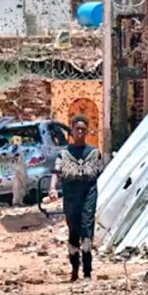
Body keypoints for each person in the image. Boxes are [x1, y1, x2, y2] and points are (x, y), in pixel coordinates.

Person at [49, 115, 103, 282]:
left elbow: (100, 174)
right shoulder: (64, 154)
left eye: (83, 129)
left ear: (86, 131)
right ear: (71, 131)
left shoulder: (94, 153)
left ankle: (87, 270)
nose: (80, 132)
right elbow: (56, 172)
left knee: (87, 230)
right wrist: (52, 188)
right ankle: (74, 269)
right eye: (77, 129)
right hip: (71, 197)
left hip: (88, 195)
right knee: (73, 231)